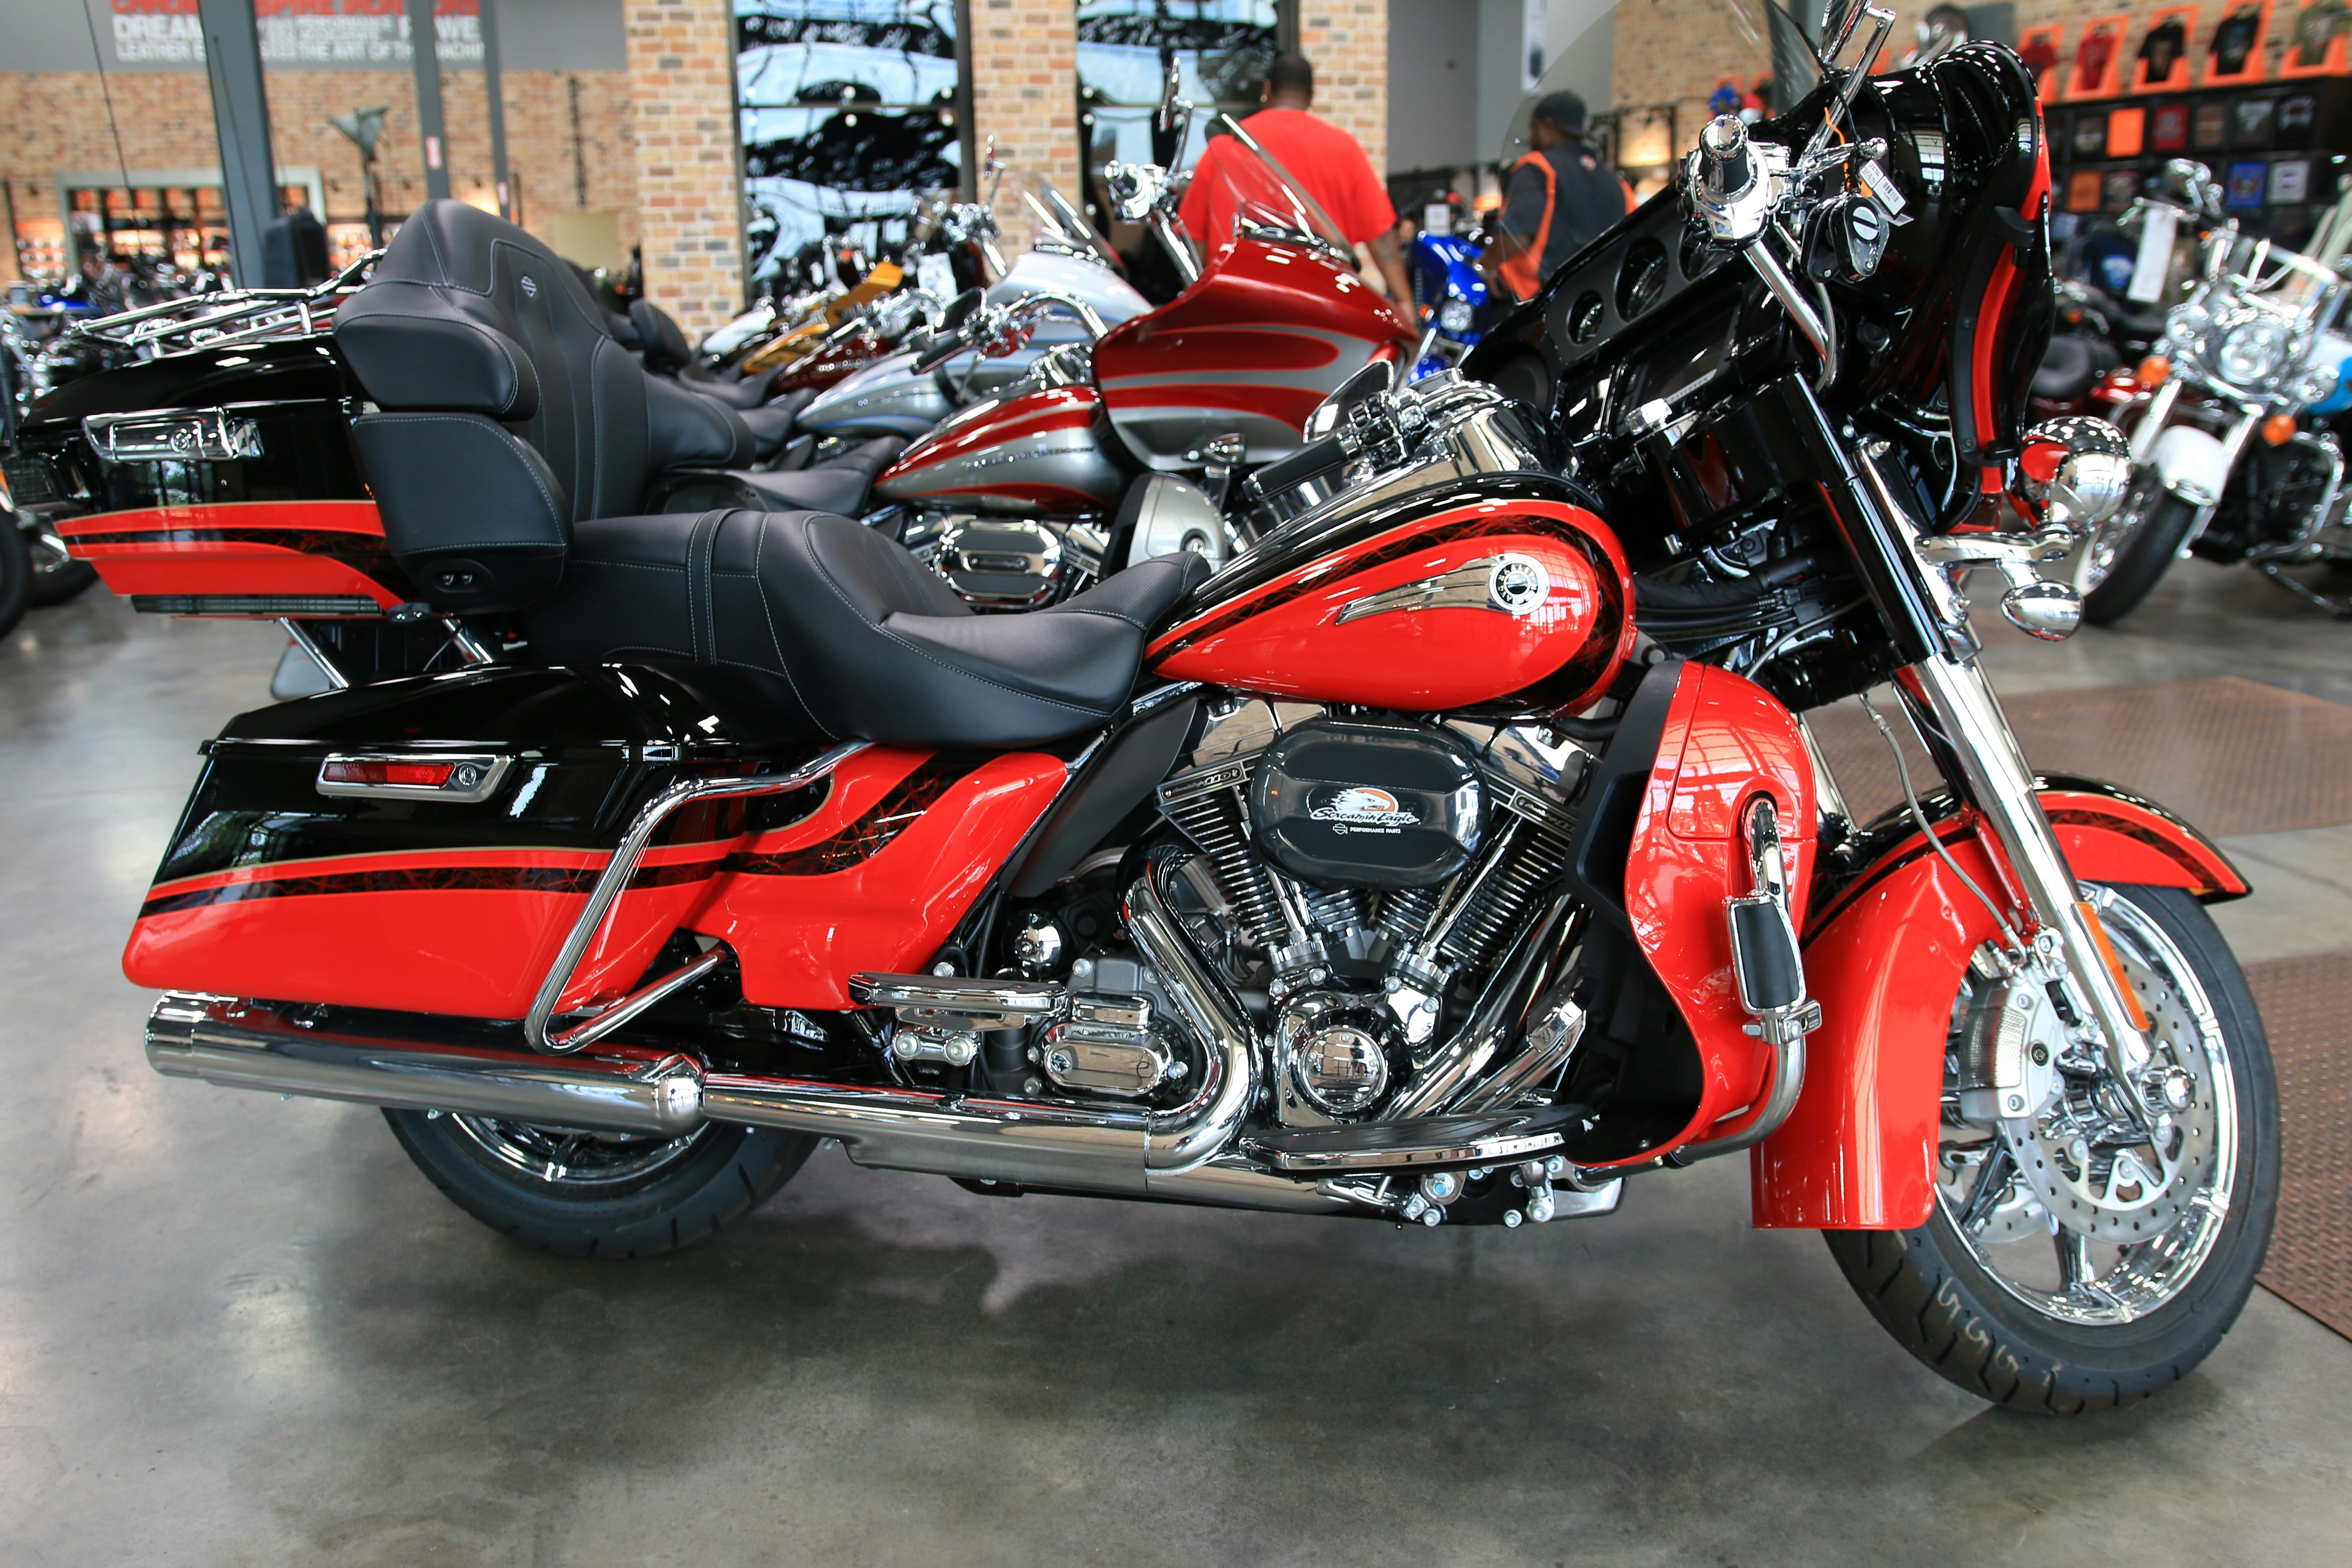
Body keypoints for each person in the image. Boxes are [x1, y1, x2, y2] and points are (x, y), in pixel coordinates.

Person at [1178, 51, 1412, 303]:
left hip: (1239, 305)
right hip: (1322, 305)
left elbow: (1191, 239)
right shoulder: (1345, 148)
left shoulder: (1225, 147)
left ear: (1267, 89)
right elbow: (1382, 243)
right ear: (1310, 97)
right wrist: (1404, 301)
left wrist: (1198, 299)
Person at [1482, 89, 1634, 302]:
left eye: (1534, 129)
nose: (1532, 138)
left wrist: (1484, 267)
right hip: (1606, 302)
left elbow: (1515, 236)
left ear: (1547, 127)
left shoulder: (1538, 169)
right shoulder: (1616, 181)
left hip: (1545, 302)